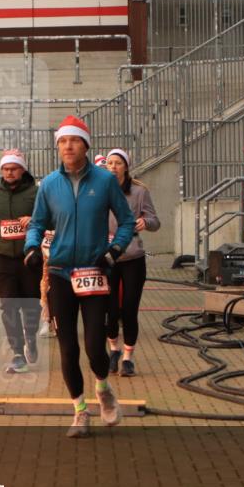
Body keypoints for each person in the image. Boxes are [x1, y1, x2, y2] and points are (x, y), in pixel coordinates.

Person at [24, 116, 136, 438]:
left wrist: (114, 251)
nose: (68, 146)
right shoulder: (49, 184)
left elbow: (126, 221)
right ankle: (79, 411)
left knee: (93, 346)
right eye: (62, 141)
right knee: (68, 348)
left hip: (94, 271)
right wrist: (32, 248)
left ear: (85, 145)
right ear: (57, 147)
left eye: (74, 140)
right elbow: (36, 223)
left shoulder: (104, 181)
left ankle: (102, 388)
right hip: (60, 272)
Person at [0, 150, 41, 374]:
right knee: (9, 305)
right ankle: (18, 353)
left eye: (13, 168)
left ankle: (30, 336)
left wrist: (33, 221)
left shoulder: (36, 192)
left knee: (31, 304)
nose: (9, 172)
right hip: (1, 258)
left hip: (29, 258)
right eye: (5, 168)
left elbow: (48, 218)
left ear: (22, 169)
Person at [104, 148, 160, 377]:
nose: (114, 167)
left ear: (126, 167)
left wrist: (144, 222)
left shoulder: (138, 192)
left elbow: (155, 221)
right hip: (106, 258)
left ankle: (128, 357)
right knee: (109, 311)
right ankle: (113, 350)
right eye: (110, 163)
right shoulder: (99, 191)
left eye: (118, 163)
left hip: (132, 258)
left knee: (129, 309)